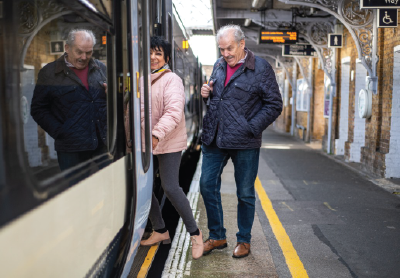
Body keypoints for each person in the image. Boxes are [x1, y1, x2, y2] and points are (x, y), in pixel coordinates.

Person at [200, 25, 283, 258]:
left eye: (229, 48)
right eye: (221, 49)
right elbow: (220, 99)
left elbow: (274, 104)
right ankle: (217, 236)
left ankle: (244, 240)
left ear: (242, 44)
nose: (225, 53)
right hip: (215, 137)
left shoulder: (261, 69)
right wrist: (207, 94)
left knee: (244, 192)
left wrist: (251, 127)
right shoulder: (218, 65)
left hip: (245, 141)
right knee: (207, 185)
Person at [139, 36, 203, 260]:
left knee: (170, 187)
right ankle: (160, 230)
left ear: (166, 57)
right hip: (147, 142)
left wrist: (156, 134)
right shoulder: (142, 80)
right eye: (150, 53)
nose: (154, 57)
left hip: (167, 142)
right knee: (143, 189)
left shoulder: (172, 80)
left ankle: (195, 235)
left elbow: (174, 112)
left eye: (158, 53)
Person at [31, 29, 107, 171]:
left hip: (102, 144)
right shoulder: (49, 72)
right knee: (77, 191)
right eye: (79, 52)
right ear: (67, 48)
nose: (84, 57)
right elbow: (38, 109)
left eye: (88, 52)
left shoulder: (100, 68)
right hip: (71, 148)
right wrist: (61, 132)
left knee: (110, 190)